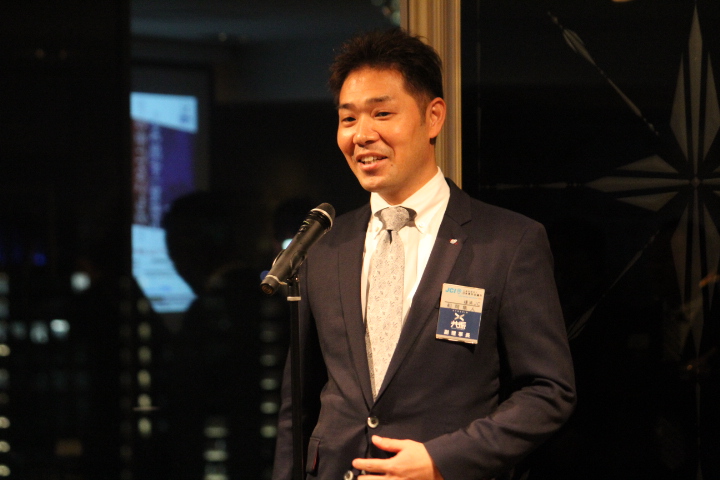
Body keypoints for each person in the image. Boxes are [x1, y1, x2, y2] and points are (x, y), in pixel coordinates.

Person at [272, 28, 576, 480]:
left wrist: (442, 460)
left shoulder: (508, 242)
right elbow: (295, 406)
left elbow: (548, 391)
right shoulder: (325, 246)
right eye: (348, 118)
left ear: (433, 117)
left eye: (382, 113)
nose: (362, 135)